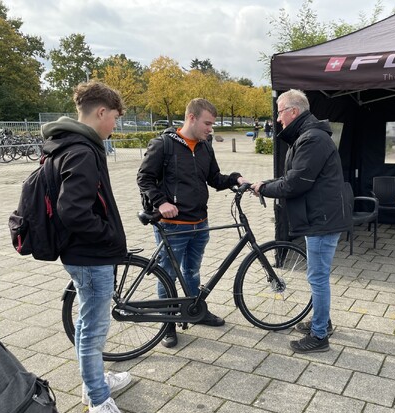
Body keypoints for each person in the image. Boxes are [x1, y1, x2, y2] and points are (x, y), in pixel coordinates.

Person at [41, 81, 134, 413]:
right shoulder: (81, 150)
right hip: (89, 255)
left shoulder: (69, 143)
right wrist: (108, 237)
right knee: (93, 330)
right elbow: (72, 210)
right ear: (101, 112)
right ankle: (98, 400)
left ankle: (93, 379)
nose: (115, 125)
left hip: (84, 254)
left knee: (86, 324)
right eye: (114, 118)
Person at [137, 98, 249, 348]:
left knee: (192, 271)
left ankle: (194, 311)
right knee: (166, 274)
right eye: (207, 123)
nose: (211, 129)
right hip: (173, 225)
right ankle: (168, 323)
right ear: (191, 118)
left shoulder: (205, 146)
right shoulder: (163, 144)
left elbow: (214, 178)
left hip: (200, 223)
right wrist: (160, 202)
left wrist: (235, 178)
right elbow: (144, 178)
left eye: (212, 124)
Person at [251, 89, 351, 353]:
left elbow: (296, 183)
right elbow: (296, 175)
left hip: (321, 220)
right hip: (319, 217)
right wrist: (266, 184)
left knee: (317, 278)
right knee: (317, 276)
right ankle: (323, 322)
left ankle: (319, 336)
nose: (277, 119)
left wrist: (265, 189)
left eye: (279, 112)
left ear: (293, 111)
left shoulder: (312, 139)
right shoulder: (308, 136)